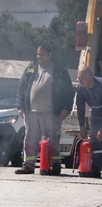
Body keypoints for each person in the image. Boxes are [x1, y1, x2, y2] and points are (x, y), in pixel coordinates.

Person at [15, 44, 74, 175]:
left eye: (42, 54)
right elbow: (21, 86)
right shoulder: (31, 68)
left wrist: (66, 108)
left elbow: (69, 91)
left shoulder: (59, 70)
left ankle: (55, 165)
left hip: (51, 112)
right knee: (30, 140)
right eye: (38, 54)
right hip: (32, 112)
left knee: (53, 139)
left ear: (49, 54)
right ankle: (28, 165)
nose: (39, 57)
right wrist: (20, 106)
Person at [76, 66, 102, 178]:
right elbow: (80, 107)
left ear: (90, 77)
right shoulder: (81, 88)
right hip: (95, 114)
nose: (79, 81)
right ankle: (96, 168)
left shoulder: (100, 85)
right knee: (96, 141)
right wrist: (81, 125)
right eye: (78, 78)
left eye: (81, 78)